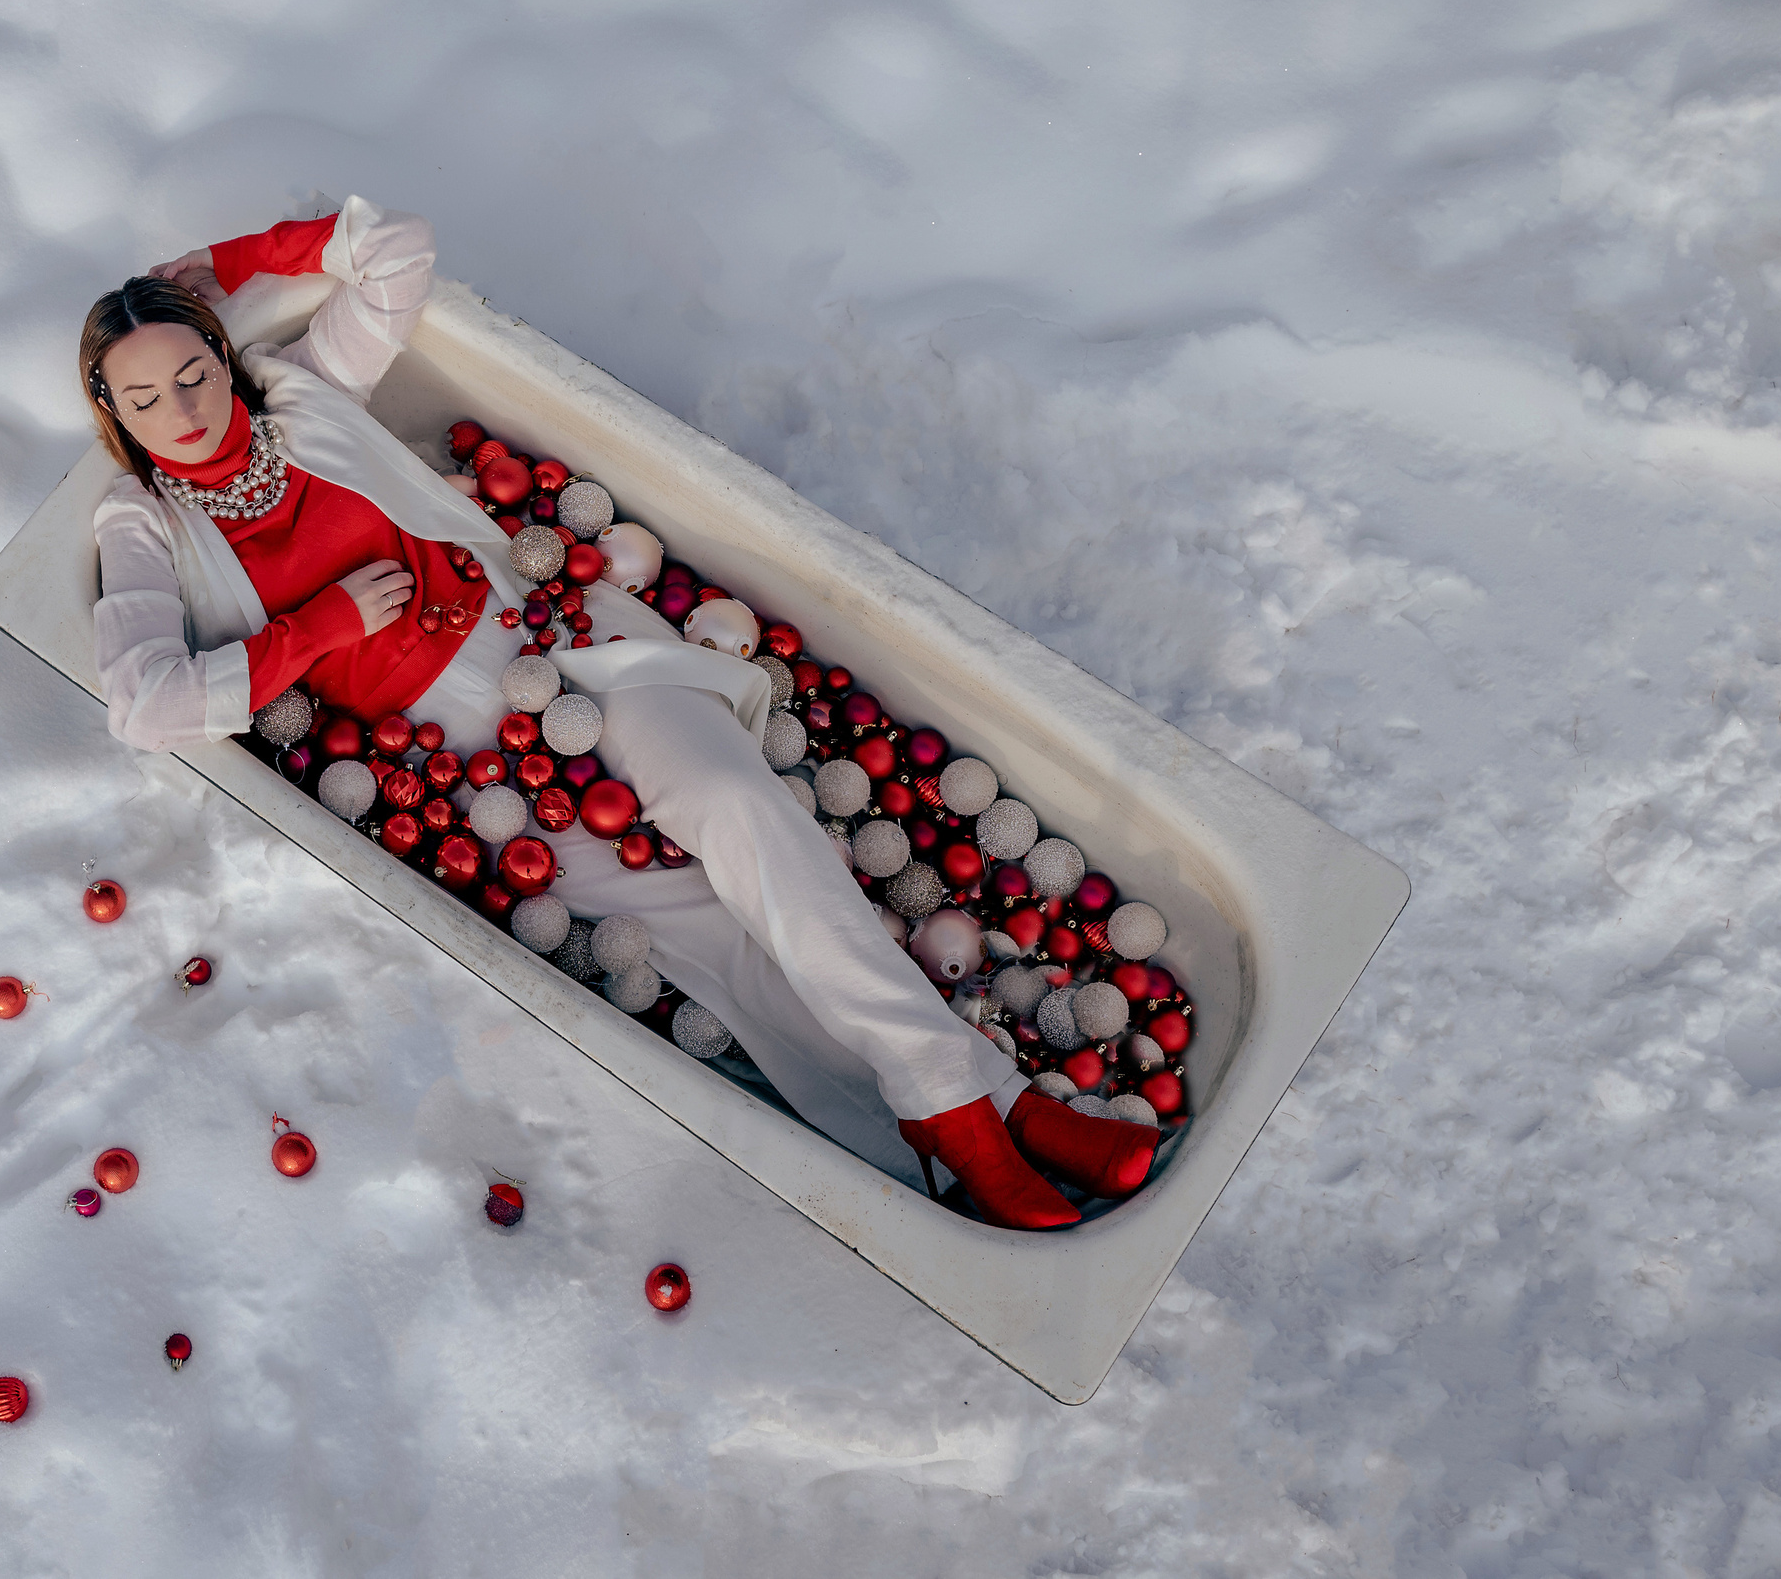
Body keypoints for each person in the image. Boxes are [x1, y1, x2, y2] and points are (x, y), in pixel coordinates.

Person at [84, 196, 1157, 1229]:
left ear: (224, 355)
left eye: (194, 370)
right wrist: (312, 632)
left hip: (561, 642)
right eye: (146, 400)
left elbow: (396, 250)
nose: (185, 411)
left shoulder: (304, 389)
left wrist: (231, 262)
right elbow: (143, 703)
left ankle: (959, 1101)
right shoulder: (143, 521)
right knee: (710, 942)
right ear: (115, 417)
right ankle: (976, 1113)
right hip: (477, 775)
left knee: (740, 804)